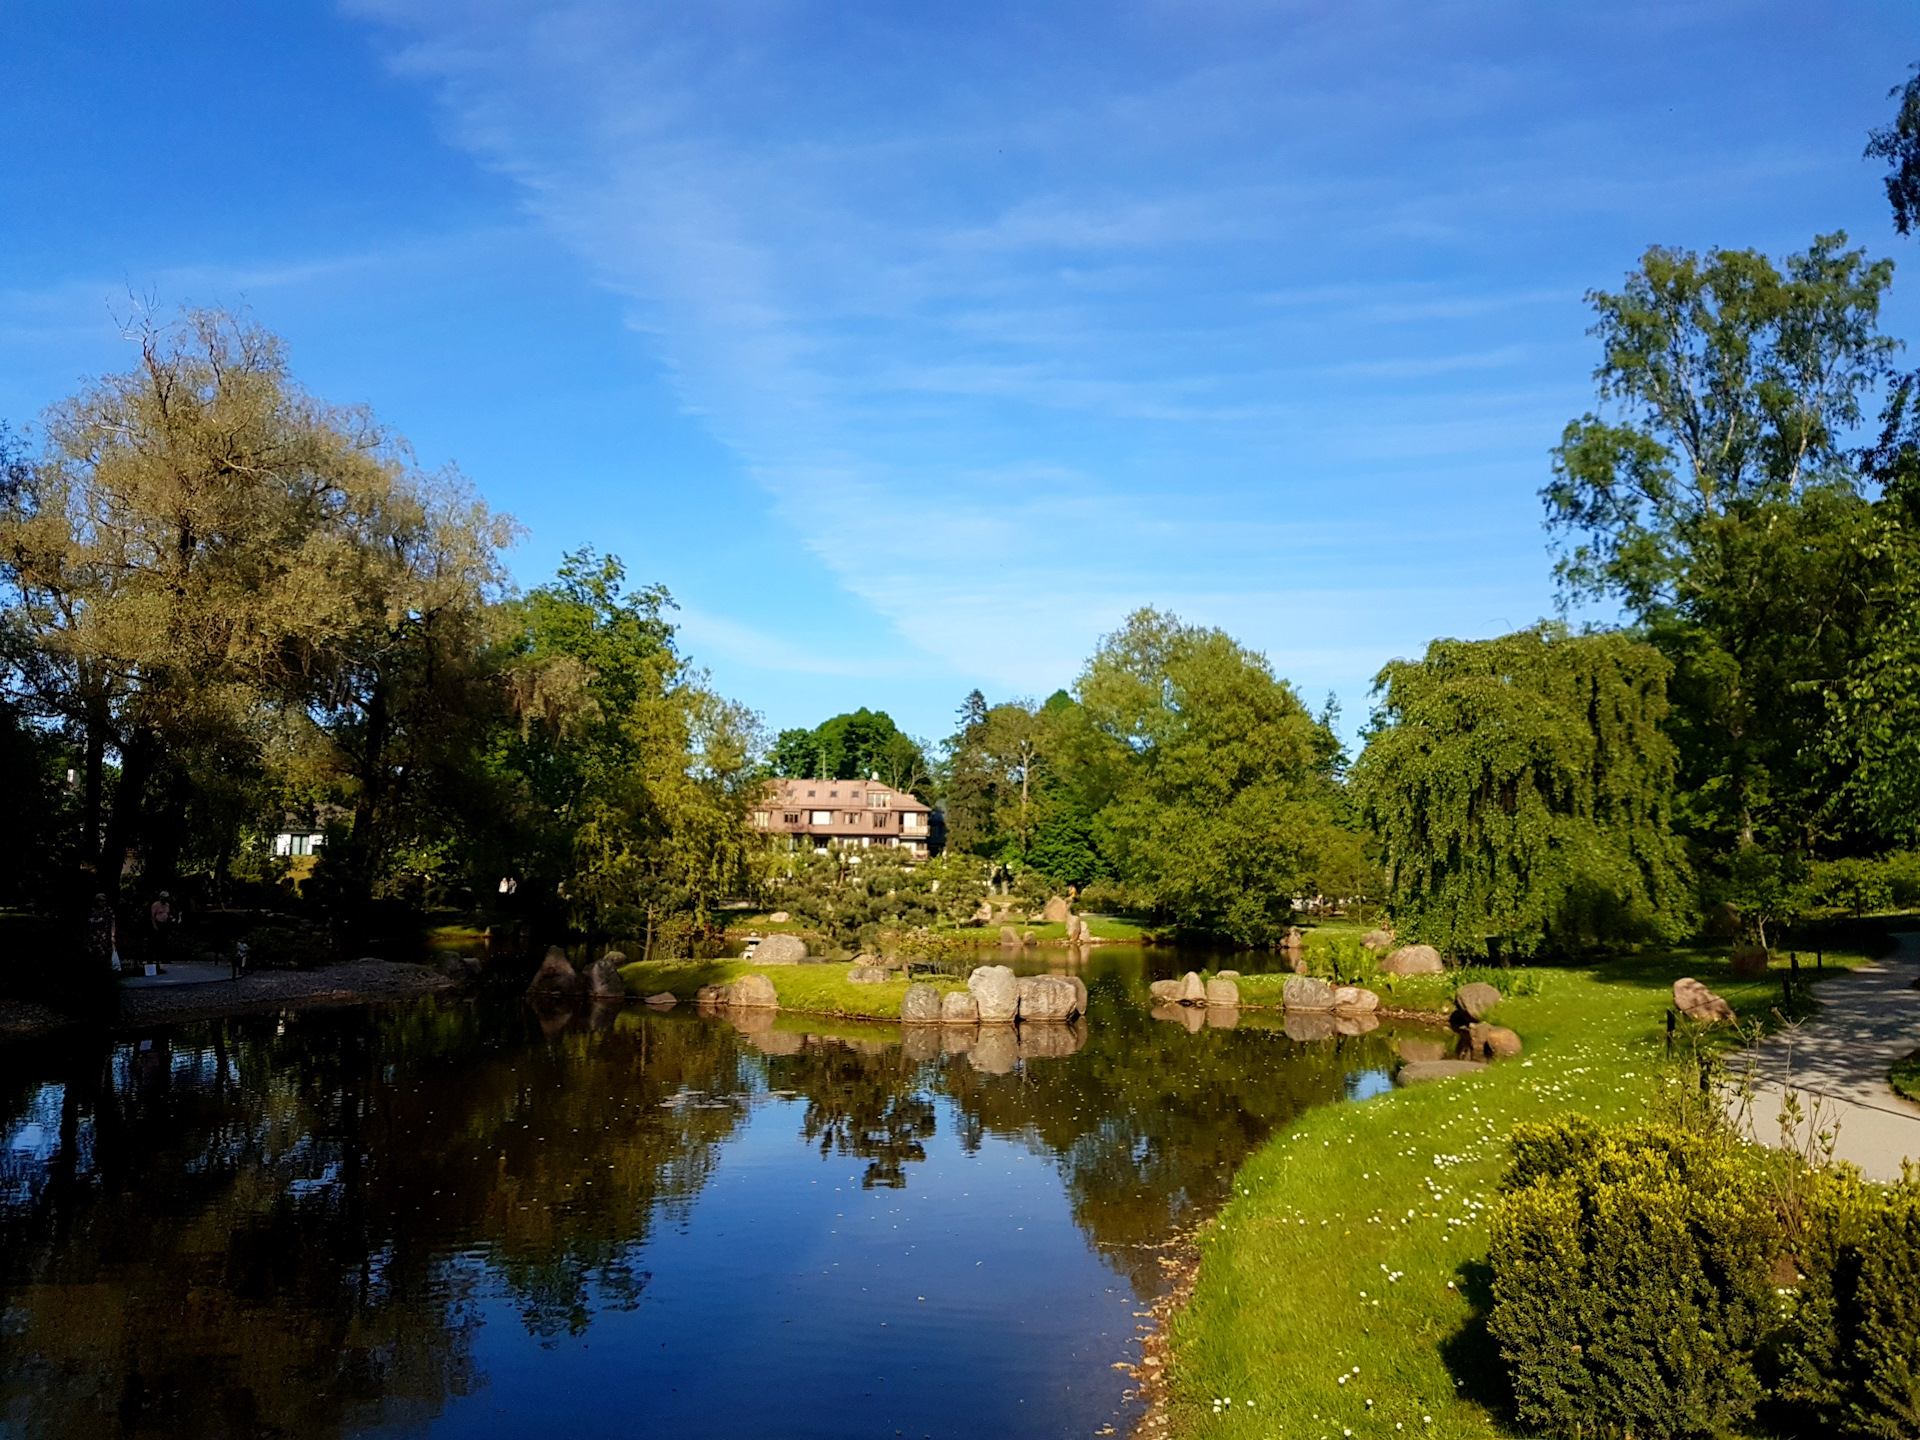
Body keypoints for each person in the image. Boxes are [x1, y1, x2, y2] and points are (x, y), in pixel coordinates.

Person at [86, 893, 117, 972]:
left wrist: (112, 936)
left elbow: (113, 923)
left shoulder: (108, 911)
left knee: (105, 956)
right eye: (101, 901)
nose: (103, 902)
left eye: (104, 900)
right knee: (93, 956)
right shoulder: (91, 911)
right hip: (93, 938)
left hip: (104, 938)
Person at [148, 890, 173, 973]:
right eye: (164, 898)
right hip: (158, 923)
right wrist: (154, 925)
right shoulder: (156, 905)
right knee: (155, 942)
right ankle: (152, 959)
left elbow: (168, 914)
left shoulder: (167, 905)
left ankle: (164, 958)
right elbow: (152, 916)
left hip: (165, 924)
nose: (165, 900)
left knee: (164, 941)